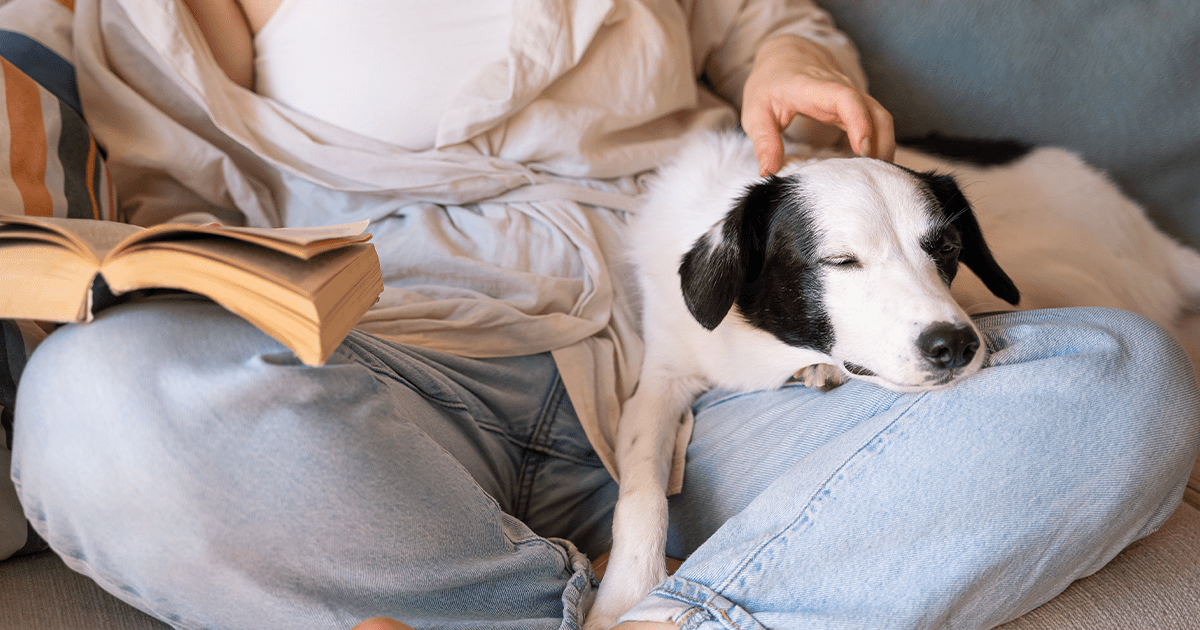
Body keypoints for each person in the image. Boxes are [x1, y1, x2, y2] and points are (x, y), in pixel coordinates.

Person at [9, 1, 1199, 629]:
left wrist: (790, 57)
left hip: (696, 340)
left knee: (1114, 380)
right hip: (385, 353)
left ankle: (682, 621)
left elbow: (756, 22)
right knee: (93, 406)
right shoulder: (135, 17)